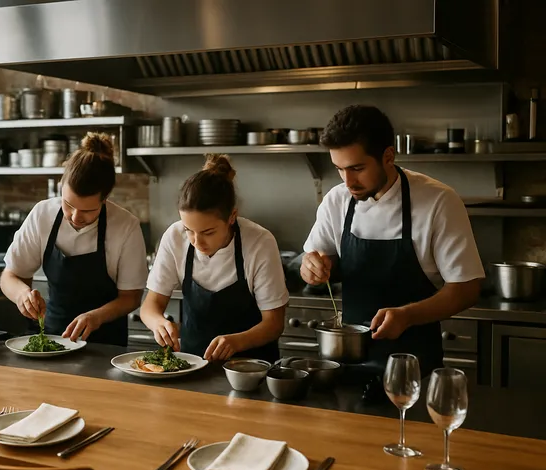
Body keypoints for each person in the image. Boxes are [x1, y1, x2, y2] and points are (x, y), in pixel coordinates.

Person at [301, 105, 484, 378]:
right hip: (346, 364)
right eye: (339, 169)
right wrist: (313, 267)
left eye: (357, 168)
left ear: (388, 156)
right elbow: (316, 257)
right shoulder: (337, 201)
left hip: (413, 367)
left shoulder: (438, 201)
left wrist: (407, 316)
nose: (347, 181)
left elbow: (467, 288)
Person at [0, 132, 148, 345]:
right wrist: (22, 294)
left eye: (88, 210)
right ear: (62, 185)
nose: (75, 217)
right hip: (53, 340)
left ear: (105, 199)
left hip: (106, 346)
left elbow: (131, 297)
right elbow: (10, 276)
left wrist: (96, 317)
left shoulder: (125, 226)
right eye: (68, 205)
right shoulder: (43, 214)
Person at [141, 154, 289, 361]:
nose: (196, 241)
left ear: (232, 217)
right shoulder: (174, 237)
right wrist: (159, 323)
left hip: (252, 370)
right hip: (193, 364)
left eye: (208, 232)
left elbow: (274, 324)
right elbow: (150, 306)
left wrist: (236, 342)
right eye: (189, 230)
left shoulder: (259, 242)